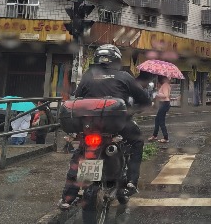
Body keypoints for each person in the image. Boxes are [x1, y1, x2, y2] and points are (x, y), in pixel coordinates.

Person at [58, 44, 151, 210]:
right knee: (137, 142)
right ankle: (130, 183)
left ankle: (68, 196)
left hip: (89, 125)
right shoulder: (124, 76)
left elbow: (78, 99)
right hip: (117, 124)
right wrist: (130, 112)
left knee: (80, 152)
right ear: (116, 60)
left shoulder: (87, 76)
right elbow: (145, 101)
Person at [148, 75, 171, 143]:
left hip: (165, 103)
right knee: (157, 119)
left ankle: (166, 138)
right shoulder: (165, 85)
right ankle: (154, 135)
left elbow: (166, 95)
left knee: (161, 121)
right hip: (164, 103)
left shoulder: (165, 85)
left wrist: (158, 94)